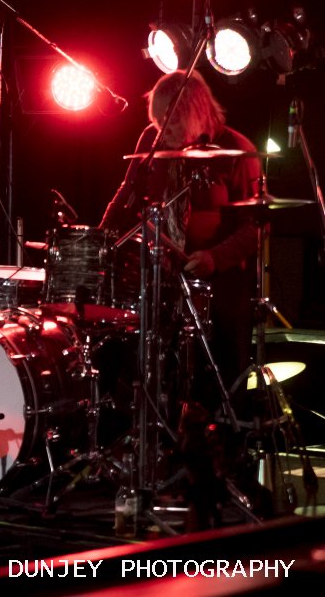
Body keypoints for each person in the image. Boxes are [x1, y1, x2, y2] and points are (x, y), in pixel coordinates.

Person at [99, 69, 261, 528]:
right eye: (156, 123)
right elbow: (125, 196)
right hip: (163, 276)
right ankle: (149, 454)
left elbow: (255, 226)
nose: (160, 132)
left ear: (192, 113)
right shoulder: (153, 142)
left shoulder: (238, 150)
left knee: (222, 367)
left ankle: (224, 467)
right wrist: (100, 239)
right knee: (137, 356)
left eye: (168, 124)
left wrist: (213, 258)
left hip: (218, 280)